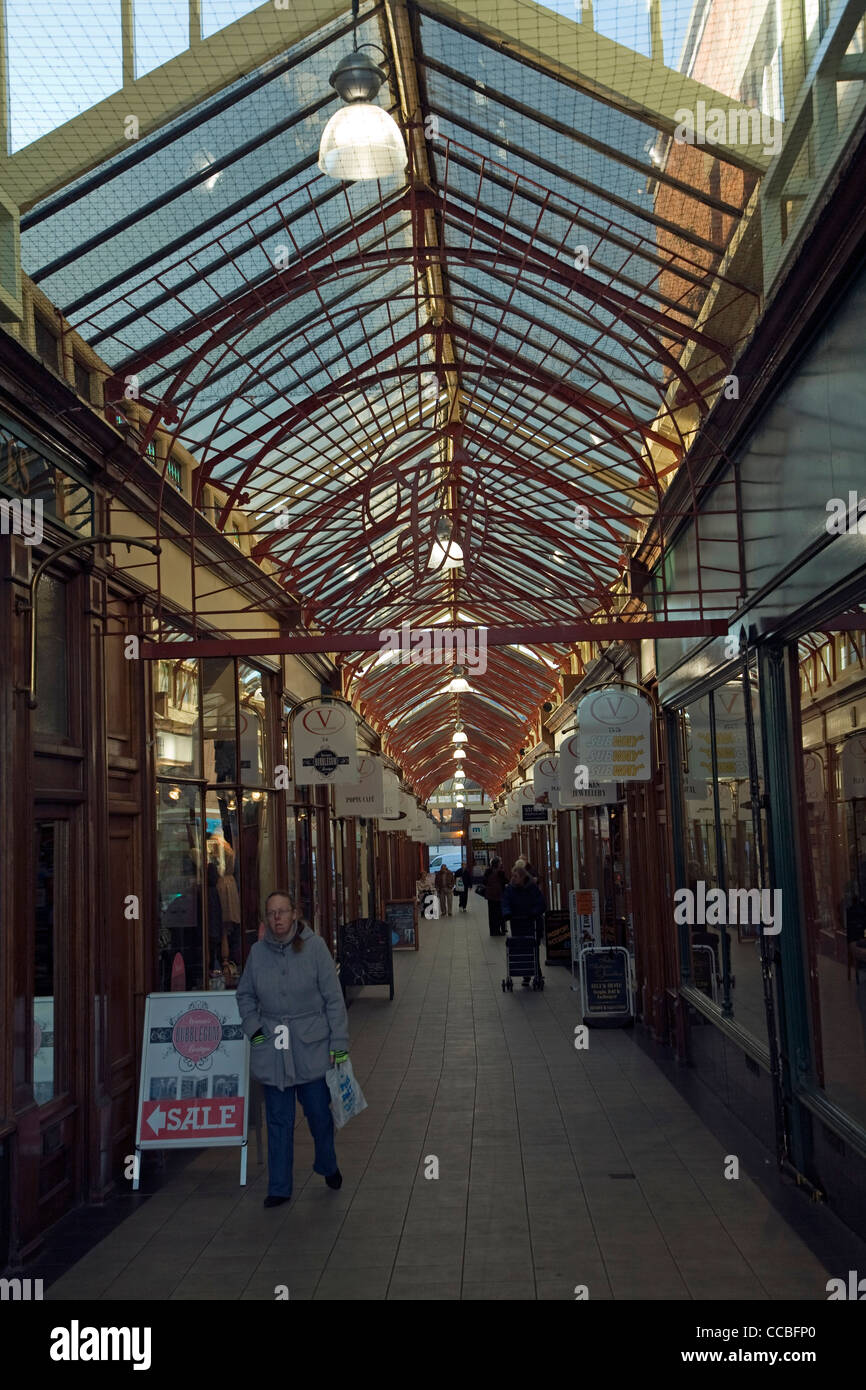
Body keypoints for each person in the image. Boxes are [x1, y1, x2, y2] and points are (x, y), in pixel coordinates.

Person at [236, 889, 348, 1208]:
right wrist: (255, 1030)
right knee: (278, 1119)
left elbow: (333, 999)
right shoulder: (258, 953)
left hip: (311, 1046)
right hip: (273, 1049)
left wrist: (339, 1043)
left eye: (282, 912)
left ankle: (327, 1164)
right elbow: (245, 996)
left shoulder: (315, 948)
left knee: (318, 1114)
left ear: (294, 913)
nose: (277, 919)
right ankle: (280, 1186)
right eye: (271, 913)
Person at [502, 866, 547, 986]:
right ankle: (526, 974)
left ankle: (536, 972)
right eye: (513, 876)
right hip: (517, 922)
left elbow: (541, 903)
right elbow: (505, 902)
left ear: (522, 877)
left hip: (532, 923)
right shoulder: (510, 889)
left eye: (515, 876)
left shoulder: (532, 888)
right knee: (520, 947)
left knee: (532, 947)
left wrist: (534, 912)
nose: (513, 878)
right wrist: (507, 913)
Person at [482, 856, 508, 936]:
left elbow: (484, 882)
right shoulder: (501, 872)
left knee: (492, 914)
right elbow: (505, 881)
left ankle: (493, 931)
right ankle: (501, 930)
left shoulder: (488, 871)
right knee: (500, 913)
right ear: (497, 864)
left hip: (490, 896)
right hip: (499, 896)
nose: (501, 863)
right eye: (500, 862)